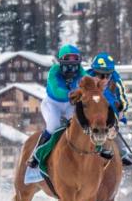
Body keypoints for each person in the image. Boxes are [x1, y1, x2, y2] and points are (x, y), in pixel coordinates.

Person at [25, 44, 86, 184]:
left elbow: (89, 83)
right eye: (68, 65)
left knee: (78, 125)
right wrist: (73, 93)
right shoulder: (54, 71)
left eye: (74, 65)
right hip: (53, 104)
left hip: (70, 105)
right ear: (60, 63)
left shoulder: (82, 72)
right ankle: (35, 155)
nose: (71, 69)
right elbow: (57, 90)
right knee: (53, 126)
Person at [86, 52, 132, 167]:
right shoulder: (86, 78)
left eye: (108, 75)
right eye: (101, 75)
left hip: (110, 110)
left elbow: (123, 98)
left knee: (111, 129)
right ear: (94, 71)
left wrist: (122, 108)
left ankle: (121, 153)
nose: (105, 78)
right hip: (90, 111)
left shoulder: (116, 80)